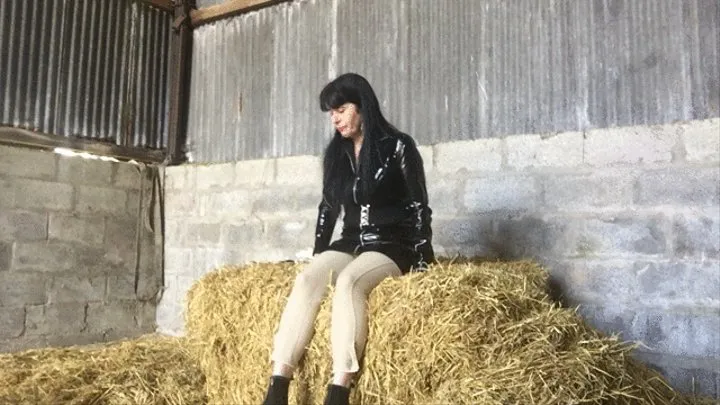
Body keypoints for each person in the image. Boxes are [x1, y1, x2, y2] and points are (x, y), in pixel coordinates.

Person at [262, 73, 435, 405]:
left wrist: (423, 256)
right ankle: (278, 385)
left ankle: (339, 388)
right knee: (308, 279)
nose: (335, 118)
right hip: (350, 242)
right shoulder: (336, 153)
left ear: (362, 106)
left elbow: (418, 205)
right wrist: (318, 254)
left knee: (349, 284)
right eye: (331, 112)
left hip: (390, 244)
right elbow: (328, 207)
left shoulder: (398, 146)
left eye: (341, 108)